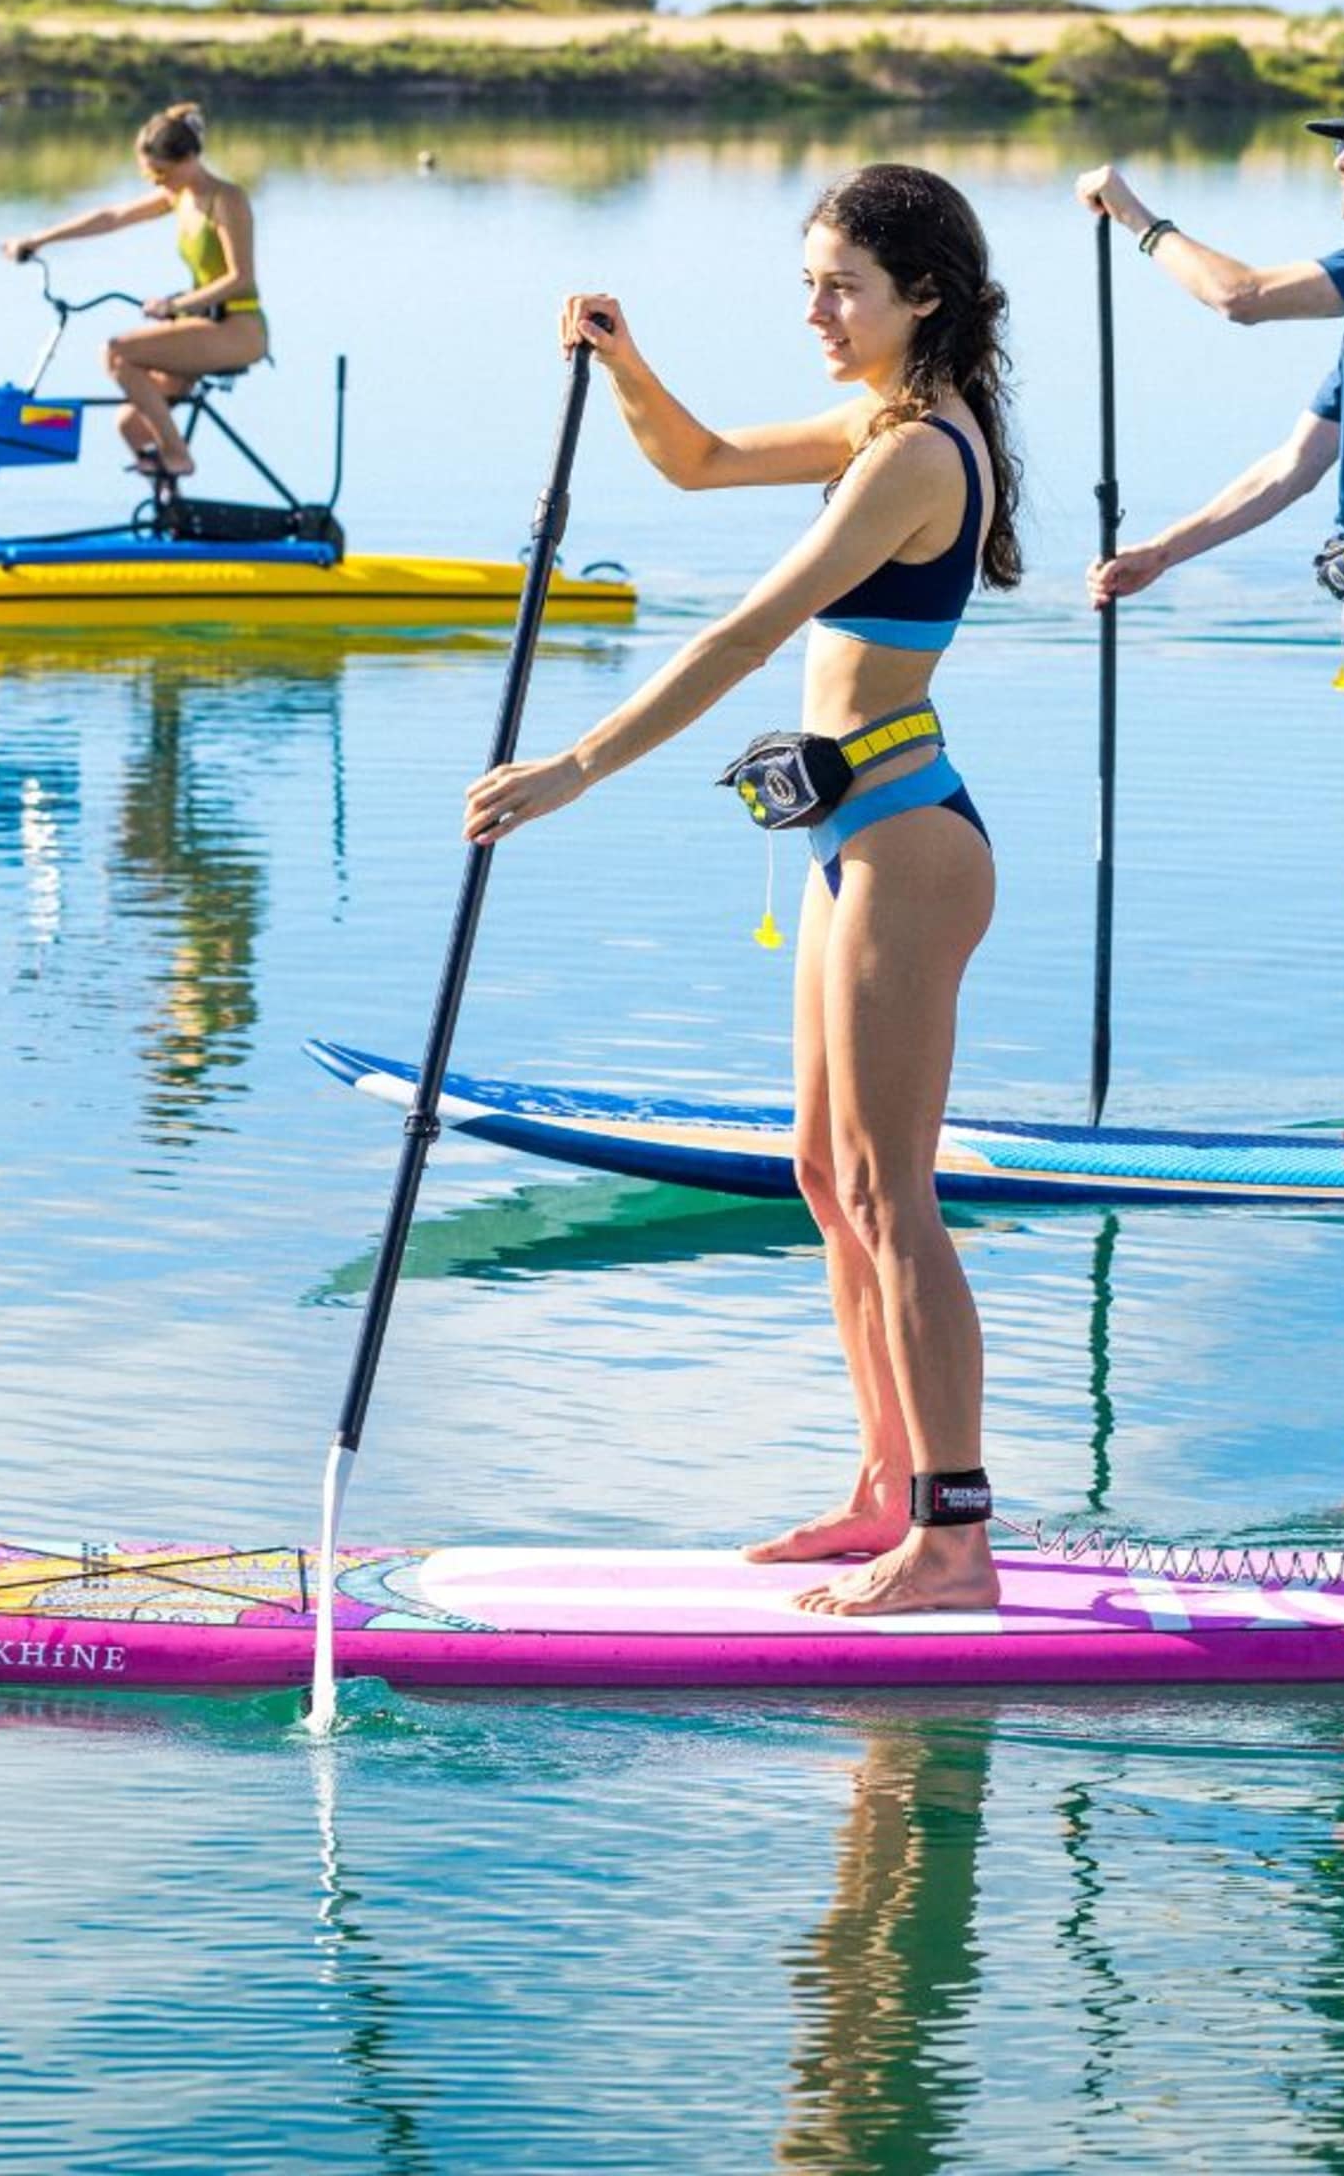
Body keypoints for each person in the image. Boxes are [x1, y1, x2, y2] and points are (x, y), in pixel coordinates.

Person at [465, 164, 1022, 1616]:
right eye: (809, 286)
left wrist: (571, 767)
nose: (820, 313)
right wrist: (626, 362)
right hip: (850, 834)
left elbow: (742, 632)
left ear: (925, 299)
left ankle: (954, 1538)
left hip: (908, 840)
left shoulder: (914, 453)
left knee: (896, 1197)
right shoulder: (876, 423)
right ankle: (882, 1491)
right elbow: (699, 462)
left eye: (844, 287)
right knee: (824, 1178)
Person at [1078, 78, 1344, 1171]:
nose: (1343, 163)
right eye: (1342, 148)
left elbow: (1236, 296)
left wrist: (1140, 221)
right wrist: (1160, 555)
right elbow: (1290, 468)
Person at [0, 100, 267, 485]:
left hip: (238, 329)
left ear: (189, 157)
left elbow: (241, 277)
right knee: (131, 425)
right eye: (151, 176)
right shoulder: (179, 196)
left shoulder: (226, 199)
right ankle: (172, 519)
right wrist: (39, 239)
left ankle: (178, 457)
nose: (158, 183)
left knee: (117, 352)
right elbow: (113, 217)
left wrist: (175, 305)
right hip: (200, 326)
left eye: (162, 173)